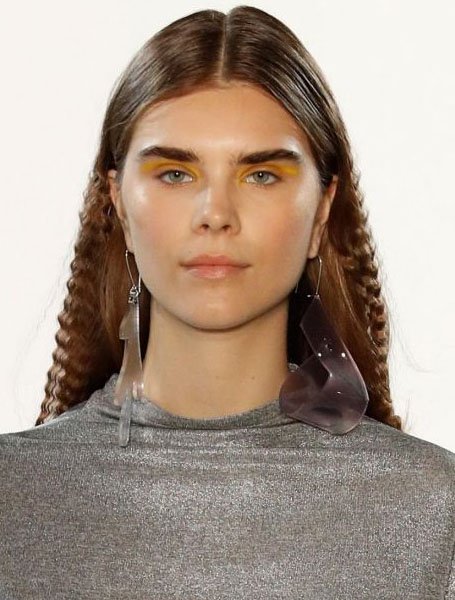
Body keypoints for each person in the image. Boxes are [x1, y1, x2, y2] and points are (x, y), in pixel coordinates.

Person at [1, 6, 454, 598]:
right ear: (119, 204)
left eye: (261, 175)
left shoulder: (433, 509)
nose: (215, 215)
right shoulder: (13, 497)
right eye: (175, 174)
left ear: (321, 211)